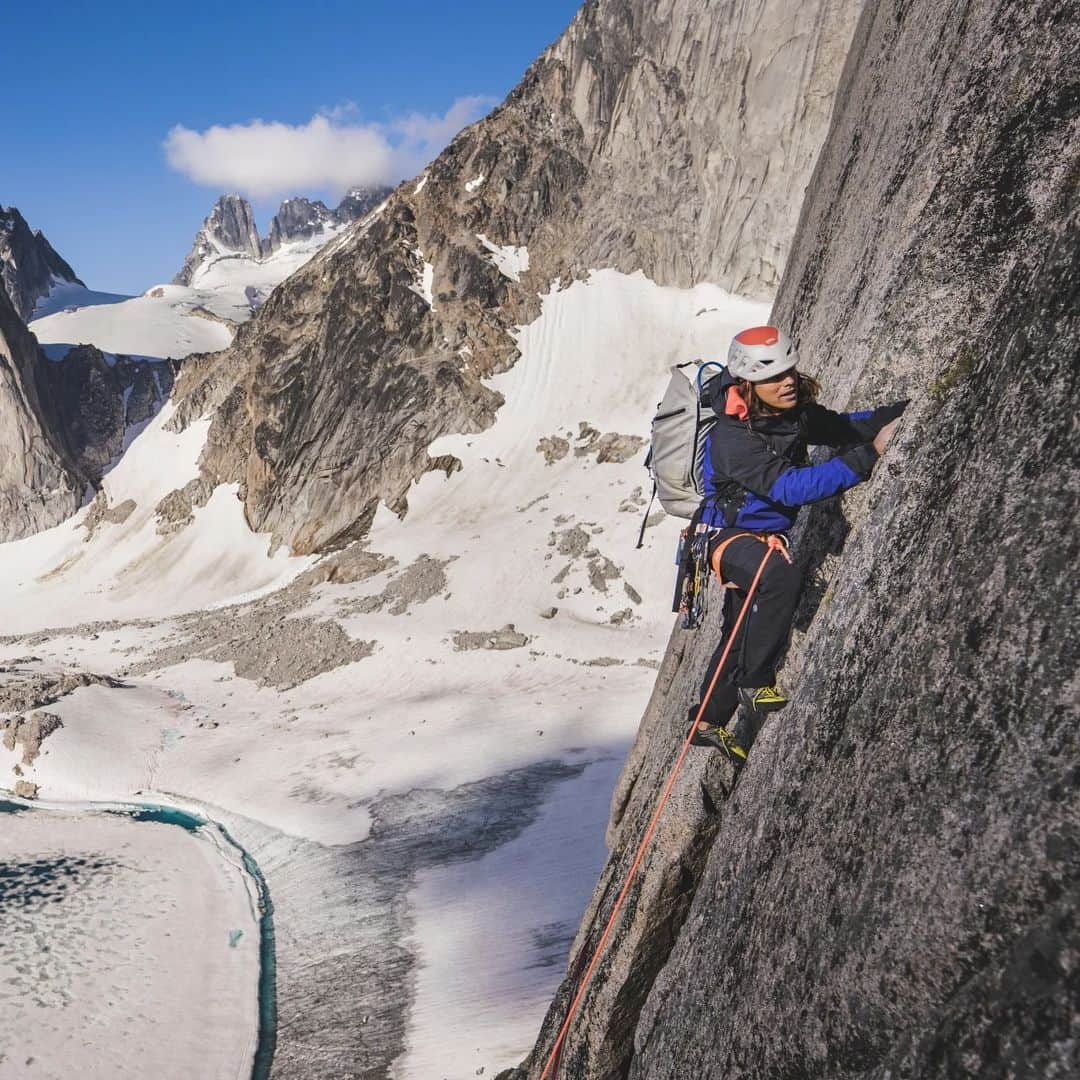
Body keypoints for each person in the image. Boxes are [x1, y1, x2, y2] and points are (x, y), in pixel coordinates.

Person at [689, 325, 906, 766]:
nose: (787, 381)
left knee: (737, 631)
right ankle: (755, 682)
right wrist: (869, 456)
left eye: (789, 371)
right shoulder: (732, 438)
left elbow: (842, 427)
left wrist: (898, 413)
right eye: (774, 377)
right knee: (777, 576)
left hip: (753, 535)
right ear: (748, 384)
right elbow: (789, 488)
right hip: (723, 537)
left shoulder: (788, 415)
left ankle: (706, 722)